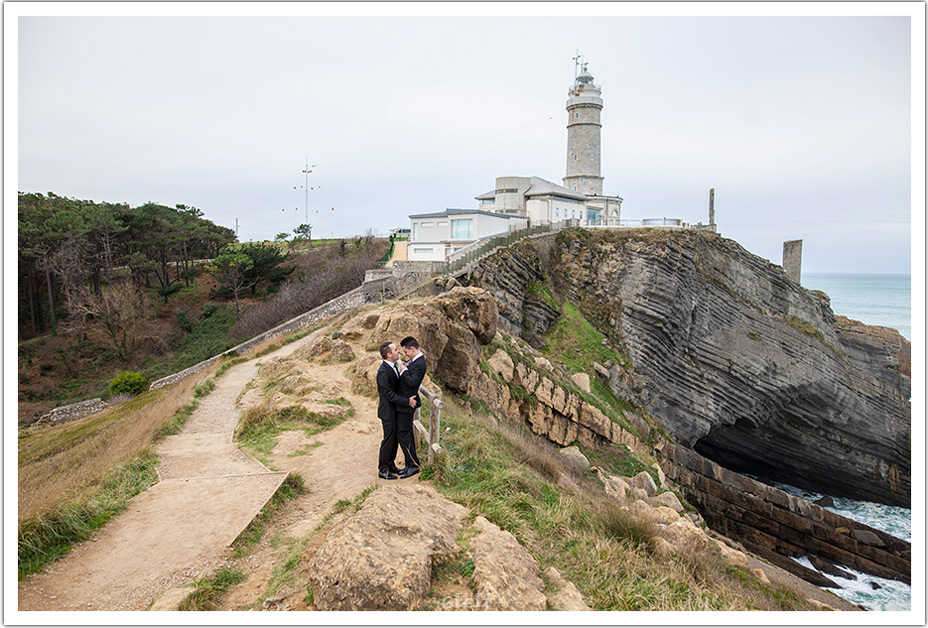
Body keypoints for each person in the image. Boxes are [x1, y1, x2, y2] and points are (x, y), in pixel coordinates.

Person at [375, 341, 415, 480]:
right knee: (388, 440)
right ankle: (383, 469)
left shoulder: (393, 366)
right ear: (388, 354)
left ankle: (390, 465)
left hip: (394, 410)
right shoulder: (383, 372)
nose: (398, 351)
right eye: (396, 350)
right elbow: (389, 395)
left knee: (394, 440)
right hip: (388, 412)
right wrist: (407, 402)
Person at [395, 336, 426, 478]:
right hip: (406, 401)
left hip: (408, 403)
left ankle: (413, 465)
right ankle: (410, 463)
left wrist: (403, 370)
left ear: (412, 349)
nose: (405, 354)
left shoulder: (420, 363)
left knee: (404, 433)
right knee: (405, 433)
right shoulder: (415, 361)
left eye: (406, 352)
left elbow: (413, 383)